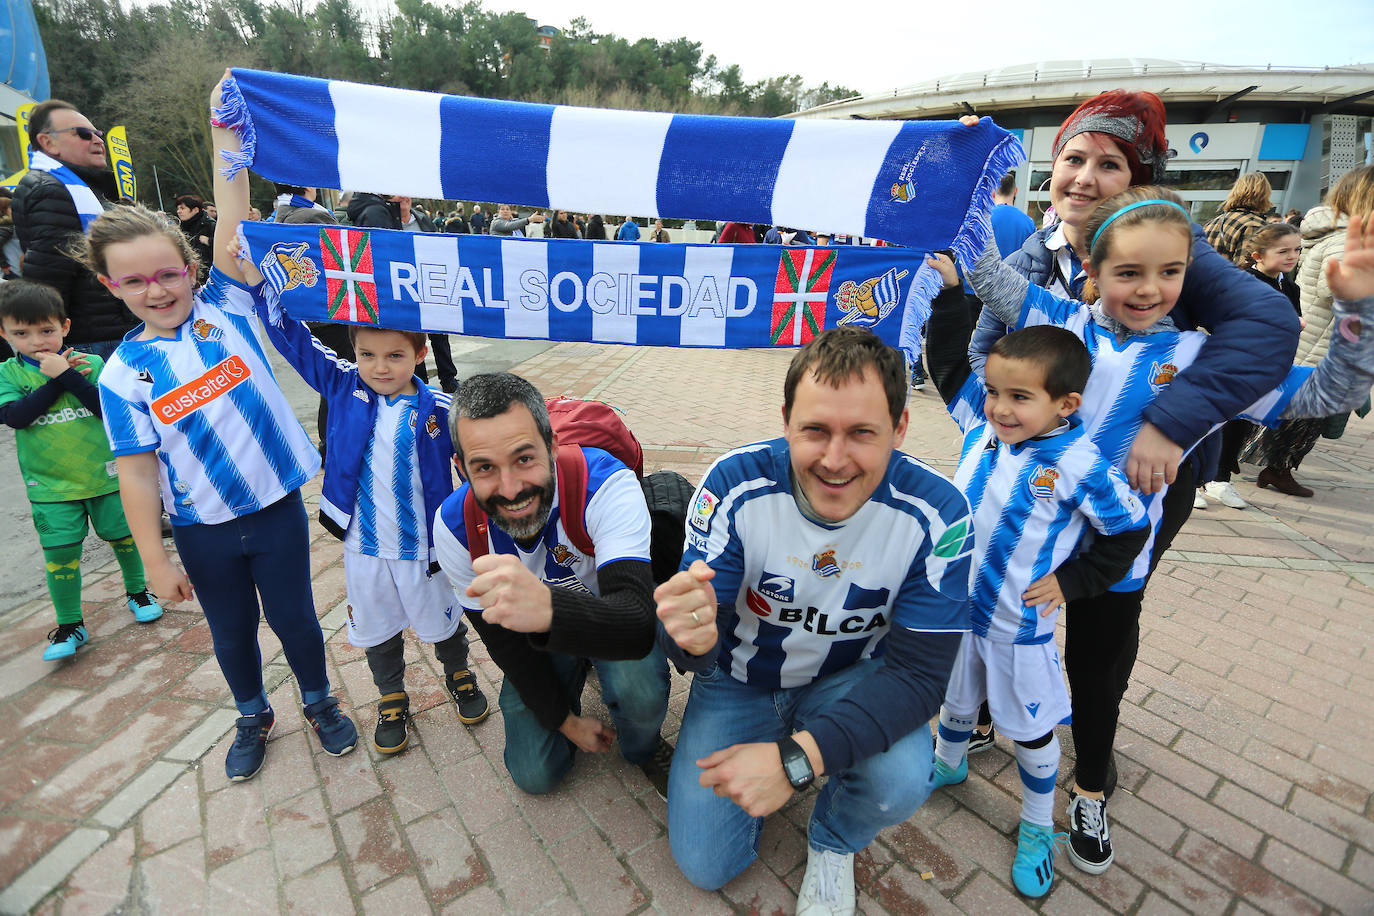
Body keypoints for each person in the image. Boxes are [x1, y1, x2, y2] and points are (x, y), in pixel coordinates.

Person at [963, 185, 1374, 875]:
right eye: (1128, 272)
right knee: (988, 643)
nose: (1150, 289)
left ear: (1191, 272)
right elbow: (982, 269)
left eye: (1169, 271)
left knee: (1095, 679)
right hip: (1016, 549)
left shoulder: (1203, 362)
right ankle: (974, 730)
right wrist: (963, 172)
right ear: (1092, 272)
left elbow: (1332, 394)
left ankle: (1090, 788)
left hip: (1109, 562)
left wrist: (1357, 307)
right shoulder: (1059, 324)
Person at [964, 90, 1299, 789]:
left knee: (1101, 637)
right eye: (1072, 159)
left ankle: (1090, 772)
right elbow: (982, 345)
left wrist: (1166, 425)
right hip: (1035, 486)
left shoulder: (1170, 250)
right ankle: (1000, 711)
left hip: (1144, 481)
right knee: (1006, 605)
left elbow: (1273, 343)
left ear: (1140, 176)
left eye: (1109, 163)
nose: (1085, 177)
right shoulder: (1036, 253)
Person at [90, 72, 357, 782]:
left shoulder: (230, 306)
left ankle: (318, 699)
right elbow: (136, 471)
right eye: (136, 281)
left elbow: (232, 200)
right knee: (232, 630)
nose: (158, 289)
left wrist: (224, 127)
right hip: (203, 528)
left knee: (296, 621)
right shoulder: (120, 376)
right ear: (110, 287)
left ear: (190, 264)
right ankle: (250, 713)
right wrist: (153, 557)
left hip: (273, 510)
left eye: (167, 273)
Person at [655, 327, 973, 912]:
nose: (833, 459)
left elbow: (921, 679)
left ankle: (833, 838)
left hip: (849, 679)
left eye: (862, 434)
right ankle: (785, 749)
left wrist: (795, 761)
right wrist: (688, 640)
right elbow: (691, 642)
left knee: (903, 777)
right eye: (815, 431)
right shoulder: (733, 484)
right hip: (739, 682)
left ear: (900, 430)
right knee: (706, 866)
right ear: (786, 421)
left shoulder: (940, 513)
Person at [924, 271, 1148, 895]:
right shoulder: (981, 426)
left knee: (1028, 732)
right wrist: (948, 296)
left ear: (1066, 404)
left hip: (1018, 627)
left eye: (1020, 397)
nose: (999, 407)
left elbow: (1129, 531)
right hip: (956, 612)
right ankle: (947, 764)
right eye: (995, 391)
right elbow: (945, 363)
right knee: (956, 699)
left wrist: (1074, 583)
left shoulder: (1081, 464)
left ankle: (1032, 826)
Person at [248, 302, 490, 754]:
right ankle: (391, 696)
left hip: (426, 547)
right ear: (354, 353)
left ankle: (460, 674)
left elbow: (484, 458)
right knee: (378, 627)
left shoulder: (444, 410)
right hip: (366, 547)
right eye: (367, 355)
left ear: (420, 353)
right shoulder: (342, 388)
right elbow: (296, 343)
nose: (379, 367)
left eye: (394, 355)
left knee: (444, 621)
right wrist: (266, 292)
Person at [432, 373, 673, 797]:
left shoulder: (605, 484)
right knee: (534, 774)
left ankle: (642, 748)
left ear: (552, 446)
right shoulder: (455, 529)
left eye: (525, 458)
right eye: (485, 467)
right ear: (460, 468)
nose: (510, 489)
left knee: (638, 684)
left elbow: (636, 622)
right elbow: (503, 644)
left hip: (613, 622)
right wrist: (566, 721)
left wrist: (546, 608)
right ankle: (576, 681)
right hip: (540, 640)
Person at [0, 279, 163, 661]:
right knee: (60, 554)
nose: (37, 341)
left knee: (124, 538)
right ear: (4, 333)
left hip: (105, 476)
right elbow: (16, 417)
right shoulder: (8, 374)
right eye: (21, 333)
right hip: (51, 487)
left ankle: (139, 591)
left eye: (47, 330)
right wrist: (57, 378)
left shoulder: (91, 365)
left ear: (65, 327)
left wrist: (69, 374)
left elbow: (105, 408)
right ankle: (70, 622)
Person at [1241, 165, 1374, 497]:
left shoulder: (1339, 234)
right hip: (1321, 343)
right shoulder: (1347, 240)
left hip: (1316, 337)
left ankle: (1264, 466)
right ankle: (1275, 468)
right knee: (1305, 416)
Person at [12, 99, 138, 359]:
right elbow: (50, 275)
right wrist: (48, 347)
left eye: (97, 133)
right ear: (48, 143)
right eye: (83, 133)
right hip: (92, 342)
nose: (97, 139)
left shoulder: (80, 187)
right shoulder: (51, 189)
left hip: (105, 332)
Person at [1199, 222, 1302, 508]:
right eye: (1283, 251)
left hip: (1265, 365)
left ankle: (1219, 479)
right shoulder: (1243, 281)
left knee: (1241, 424)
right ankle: (1193, 476)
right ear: (1257, 255)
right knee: (1214, 421)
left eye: (1296, 249)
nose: (1292, 256)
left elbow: (1294, 322)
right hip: (1232, 360)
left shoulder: (1290, 286)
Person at [349, 192, 458, 392]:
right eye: (399, 195)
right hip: (404, 290)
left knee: (440, 336)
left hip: (429, 286)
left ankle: (449, 379)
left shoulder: (422, 218)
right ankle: (420, 382)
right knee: (412, 338)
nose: (404, 197)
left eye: (407, 194)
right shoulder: (384, 218)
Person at [1203, 173, 1273, 264]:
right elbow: (1244, 266)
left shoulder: (1213, 222)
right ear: (1265, 195)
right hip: (1228, 277)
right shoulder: (1254, 225)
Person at [991, 171, 1036, 258]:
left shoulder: (982, 220)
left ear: (993, 193)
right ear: (1015, 191)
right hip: (1016, 271)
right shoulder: (1029, 223)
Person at [174, 195, 215, 285]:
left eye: (182, 208)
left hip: (209, 277)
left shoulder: (209, 225)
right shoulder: (179, 227)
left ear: (195, 210)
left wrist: (209, 241)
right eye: (178, 209)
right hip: (189, 274)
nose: (179, 211)